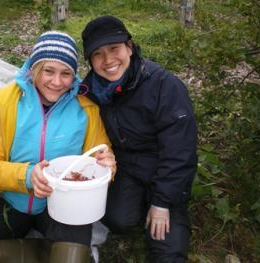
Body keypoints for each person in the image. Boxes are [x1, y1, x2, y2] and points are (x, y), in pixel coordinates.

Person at [0, 30, 116, 263]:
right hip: (7, 200)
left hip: (62, 204)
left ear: (74, 76)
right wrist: (27, 176)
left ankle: (58, 252)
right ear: (34, 68)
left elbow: (101, 156)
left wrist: (108, 166)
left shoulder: (86, 110)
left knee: (72, 258)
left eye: (66, 73)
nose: (57, 82)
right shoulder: (3, 103)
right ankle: (45, 253)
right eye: (49, 71)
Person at [80, 16, 198, 262]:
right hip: (128, 169)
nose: (109, 60)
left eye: (114, 49)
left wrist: (163, 202)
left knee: (168, 251)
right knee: (117, 219)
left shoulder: (164, 85)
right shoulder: (89, 93)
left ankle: (166, 206)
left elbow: (180, 151)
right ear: (90, 61)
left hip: (165, 167)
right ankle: (142, 204)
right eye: (98, 54)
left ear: (129, 48)